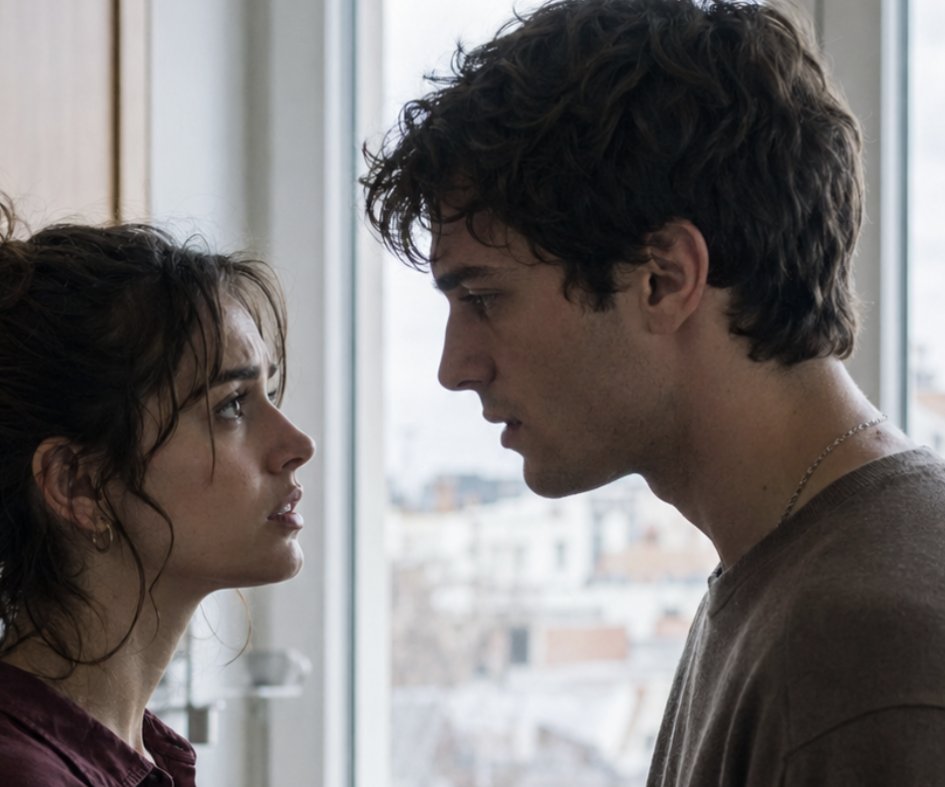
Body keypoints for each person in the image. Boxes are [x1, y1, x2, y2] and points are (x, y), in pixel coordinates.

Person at [361, 0, 945, 783]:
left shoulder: (867, 655)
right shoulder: (789, 577)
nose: (455, 366)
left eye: (484, 298)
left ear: (663, 279)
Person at [0, 193, 315, 787]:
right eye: (231, 405)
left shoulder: (126, 755)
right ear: (77, 484)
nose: (297, 443)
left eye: (268, 393)